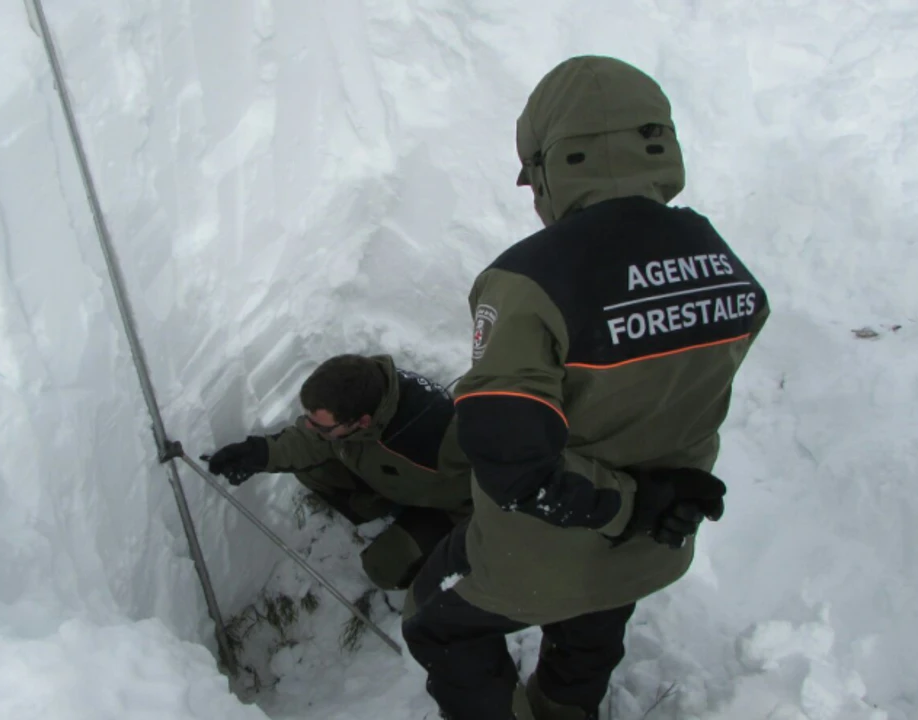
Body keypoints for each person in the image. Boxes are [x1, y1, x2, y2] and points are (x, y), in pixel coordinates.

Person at [400, 56, 771, 720]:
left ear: (552, 165)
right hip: (658, 545)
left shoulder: (529, 279)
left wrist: (630, 503)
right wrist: (651, 506)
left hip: (550, 548)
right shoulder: (722, 262)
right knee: (593, 620)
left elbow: (513, 460)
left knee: (435, 621)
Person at [206, 354, 472, 591]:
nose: (309, 428)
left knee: (383, 567)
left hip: (448, 510)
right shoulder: (362, 390)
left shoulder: (443, 441)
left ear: (362, 422)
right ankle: (381, 515)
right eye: (308, 418)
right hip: (398, 483)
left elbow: (498, 491)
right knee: (309, 468)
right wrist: (258, 453)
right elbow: (311, 442)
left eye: (320, 426)